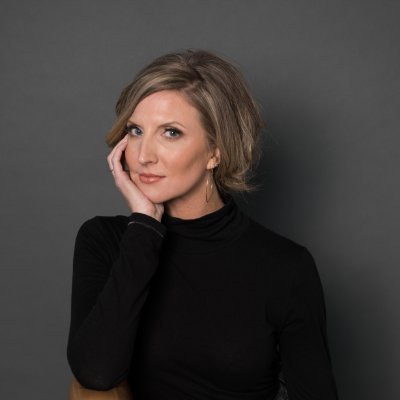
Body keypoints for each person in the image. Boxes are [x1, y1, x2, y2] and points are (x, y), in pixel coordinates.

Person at [66, 49, 339, 400]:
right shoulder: (106, 240)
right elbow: (96, 372)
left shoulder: (285, 267)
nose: (144, 155)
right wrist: (145, 225)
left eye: (171, 133)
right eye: (135, 130)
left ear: (215, 152)